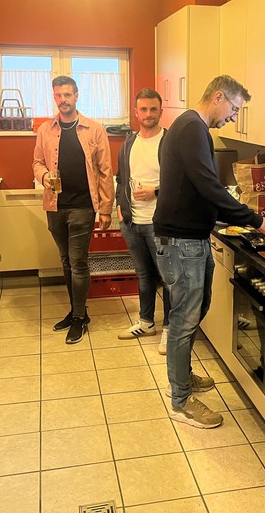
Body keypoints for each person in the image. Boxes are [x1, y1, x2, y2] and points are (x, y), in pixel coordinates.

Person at [154, 75, 265, 429]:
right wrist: (256, 220)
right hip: (182, 243)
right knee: (184, 318)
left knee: (194, 311)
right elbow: (209, 187)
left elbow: (200, 187)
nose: (234, 117)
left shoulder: (190, 127)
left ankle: (182, 376)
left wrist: (233, 214)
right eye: (234, 109)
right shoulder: (192, 128)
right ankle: (180, 401)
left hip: (188, 239)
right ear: (218, 97)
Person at [33, 75, 114, 345]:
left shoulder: (94, 129)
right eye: (58, 95)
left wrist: (106, 208)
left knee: (78, 262)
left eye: (67, 95)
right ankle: (76, 310)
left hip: (83, 207)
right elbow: (36, 162)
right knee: (66, 261)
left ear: (76, 96)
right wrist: (44, 176)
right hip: (55, 206)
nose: (63, 100)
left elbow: (105, 171)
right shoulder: (45, 130)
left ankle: (79, 317)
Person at [116, 88, 171, 354]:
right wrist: (120, 206)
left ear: (160, 111)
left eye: (153, 109)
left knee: (168, 277)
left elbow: (181, 180)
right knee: (144, 275)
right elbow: (121, 178)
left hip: (159, 223)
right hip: (132, 222)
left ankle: (170, 328)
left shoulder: (170, 142)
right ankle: (146, 322)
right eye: (143, 109)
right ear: (136, 112)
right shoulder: (129, 143)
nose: (148, 114)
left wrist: (155, 191)